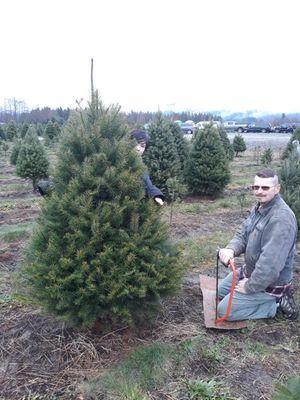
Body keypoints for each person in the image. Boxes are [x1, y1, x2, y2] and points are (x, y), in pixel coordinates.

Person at [218, 169, 298, 321]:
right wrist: (231, 249)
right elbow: (243, 233)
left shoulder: (281, 219)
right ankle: (259, 298)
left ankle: (275, 304)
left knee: (224, 312)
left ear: (277, 189)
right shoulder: (260, 207)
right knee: (220, 293)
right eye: (256, 187)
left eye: (265, 188)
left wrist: (250, 286)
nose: (259, 192)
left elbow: (270, 265)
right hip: (250, 271)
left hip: (268, 281)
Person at [130, 129, 164, 205]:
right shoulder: (119, 160)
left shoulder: (141, 165)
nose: (138, 149)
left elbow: (147, 183)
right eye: (135, 144)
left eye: (142, 146)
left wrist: (156, 195)